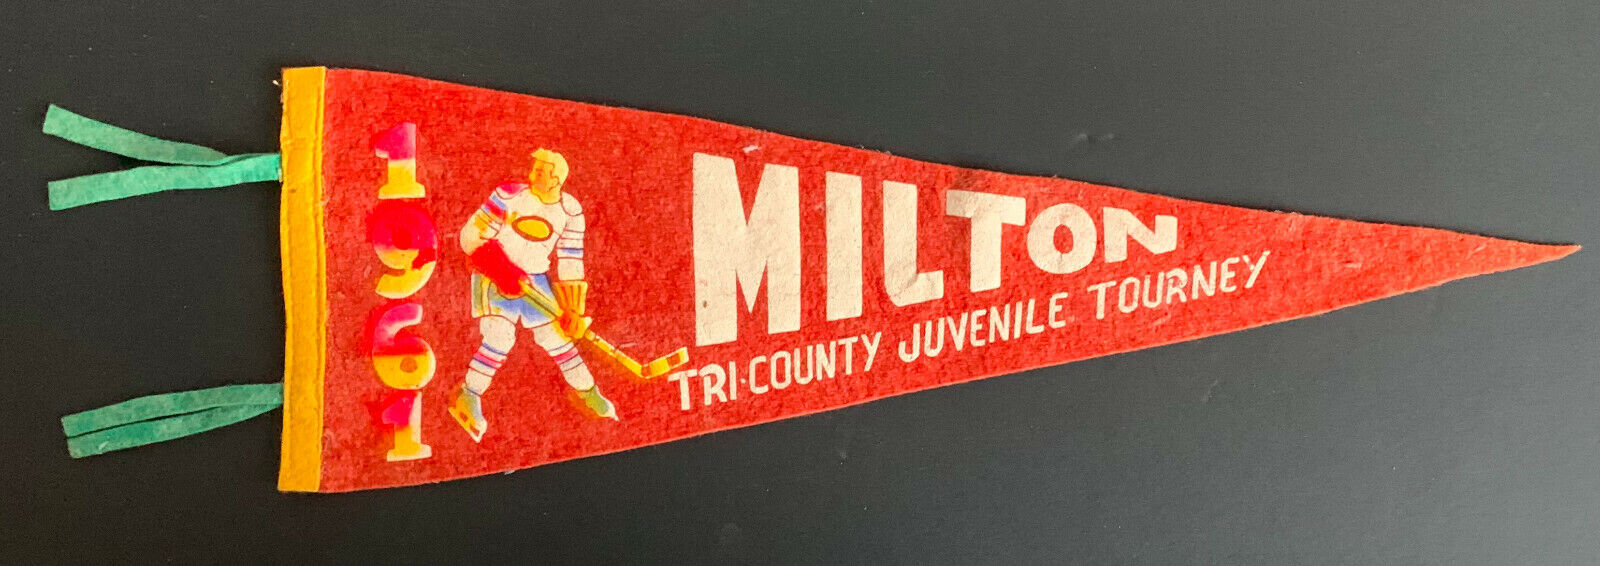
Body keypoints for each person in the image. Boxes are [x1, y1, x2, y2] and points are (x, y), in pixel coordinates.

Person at [448, 148, 617, 443]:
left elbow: (570, 259)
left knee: (558, 339)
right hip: (493, 275)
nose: (531, 174)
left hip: (536, 281)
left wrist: (573, 310)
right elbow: (469, 237)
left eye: (540, 171)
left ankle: (589, 392)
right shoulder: (508, 196)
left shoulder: (570, 212)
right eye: (533, 167)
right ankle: (469, 395)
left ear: (556, 180)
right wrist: (501, 268)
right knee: (500, 338)